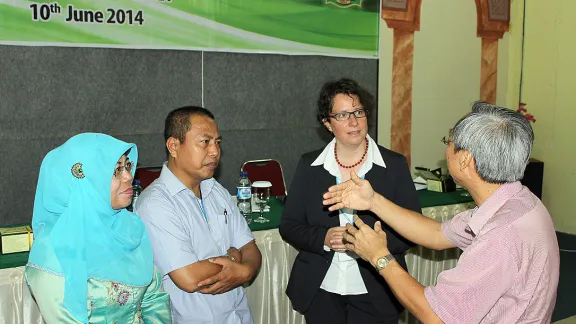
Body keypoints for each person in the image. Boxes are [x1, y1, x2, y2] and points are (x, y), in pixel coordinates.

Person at [323, 101, 560, 323]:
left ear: (465, 159)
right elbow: (437, 234)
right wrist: (373, 201)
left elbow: (436, 316)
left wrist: (379, 256)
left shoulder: (501, 235)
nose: (447, 150)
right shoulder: (516, 201)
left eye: (449, 141)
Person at [279, 78, 420, 324]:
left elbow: (414, 228)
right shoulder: (310, 165)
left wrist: (377, 243)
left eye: (358, 112)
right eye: (343, 115)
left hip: (378, 286)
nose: (353, 121)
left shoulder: (394, 165)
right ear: (328, 124)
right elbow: (289, 225)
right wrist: (323, 238)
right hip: (320, 287)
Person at [25, 133, 171, 324]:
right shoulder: (53, 253)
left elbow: (154, 299)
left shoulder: (130, 230)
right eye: (115, 170)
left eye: (127, 166)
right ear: (83, 182)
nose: (128, 176)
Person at [135, 106, 262, 324]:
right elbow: (190, 277)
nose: (215, 151)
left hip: (238, 317)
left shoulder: (216, 190)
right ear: (173, 146)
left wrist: (246, 271)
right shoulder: (156, 203)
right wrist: (234, 258)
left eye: (218, 142)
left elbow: (251, 249)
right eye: (205, 142)